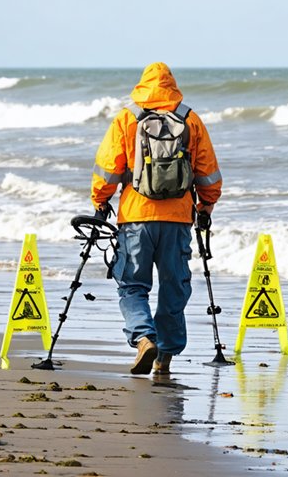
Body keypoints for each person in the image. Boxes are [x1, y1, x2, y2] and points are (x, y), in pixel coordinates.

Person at [91, 62, 221, 375]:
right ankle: (165, 356)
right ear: (172, 86)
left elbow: (108, 169)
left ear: (143, 85)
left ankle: (144, 337)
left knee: (133, 284)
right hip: (177, 219)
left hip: (135, 217)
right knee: (173, 286)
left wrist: (100, 201)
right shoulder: (190, 119)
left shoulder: (127, 118)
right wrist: (206, 207)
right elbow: (208, 173)